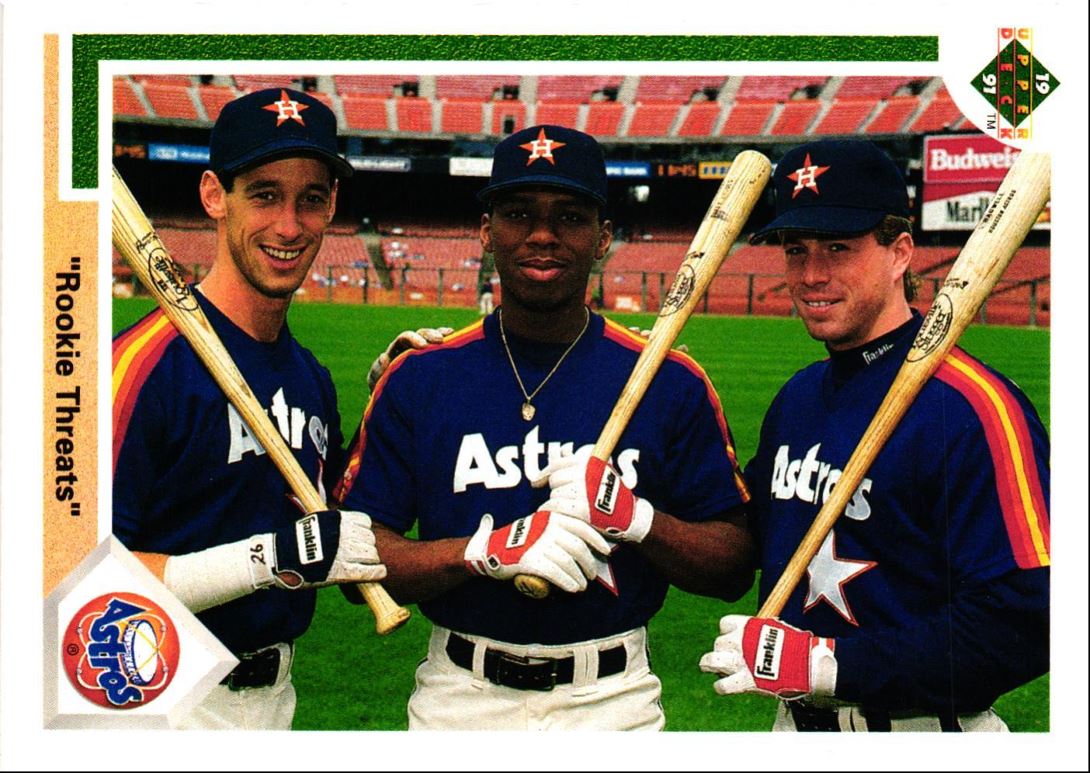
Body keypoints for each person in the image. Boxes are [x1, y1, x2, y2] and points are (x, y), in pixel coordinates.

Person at [334, 124, 755, 730]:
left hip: (613, 703)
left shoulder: (670, 380)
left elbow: (733, 567)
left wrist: (636, 520)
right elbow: (358, 566)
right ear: (486, 231)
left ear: (604, 236)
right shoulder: (421, 377)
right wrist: (480, 552)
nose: (541, 235)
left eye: (570, 216)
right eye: (517, 213)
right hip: (459, 699)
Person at [699, 139, 1050, 732]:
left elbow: (1031, 618)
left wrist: (831, 665)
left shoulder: (973, 406)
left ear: (900, 253)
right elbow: (741, 545)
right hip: (794, 726)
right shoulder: (798, 399)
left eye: (839, 248)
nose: (812, 275)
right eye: (796, 249)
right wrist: (634, 513)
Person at [112, 87, 387, 730]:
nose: (289, 227)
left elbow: (335, 539)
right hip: (156, 699)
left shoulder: (312, 381)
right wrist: (268, 560)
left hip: (274, 699)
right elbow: (69, 571)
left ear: (332, 207)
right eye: (264, 194)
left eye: (310, 199)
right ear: (214, 195)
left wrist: (395, 396)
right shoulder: (145, 365)